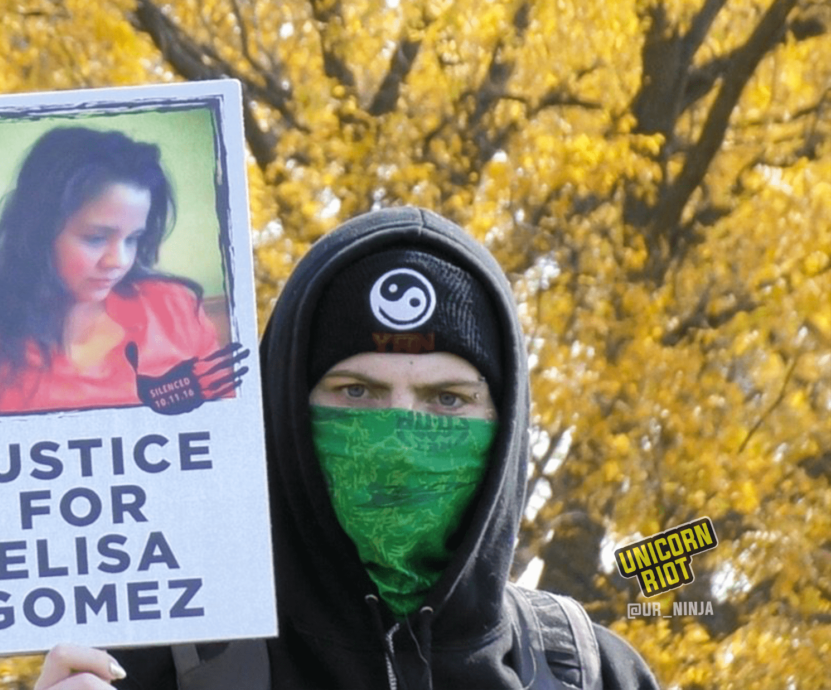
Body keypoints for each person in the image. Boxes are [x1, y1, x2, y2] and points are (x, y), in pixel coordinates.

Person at [33, 207, 659, 688]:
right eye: (357, 392)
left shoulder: (593, 673)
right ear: (286, 411)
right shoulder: (150, 668)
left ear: (506, 424)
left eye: (447, 400)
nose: (400, 443)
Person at [0, 126, 226, 420]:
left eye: (133, 239)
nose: (119, 260)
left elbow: (231, 441)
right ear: (38, 228)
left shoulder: (175, 310)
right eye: (95, 238)